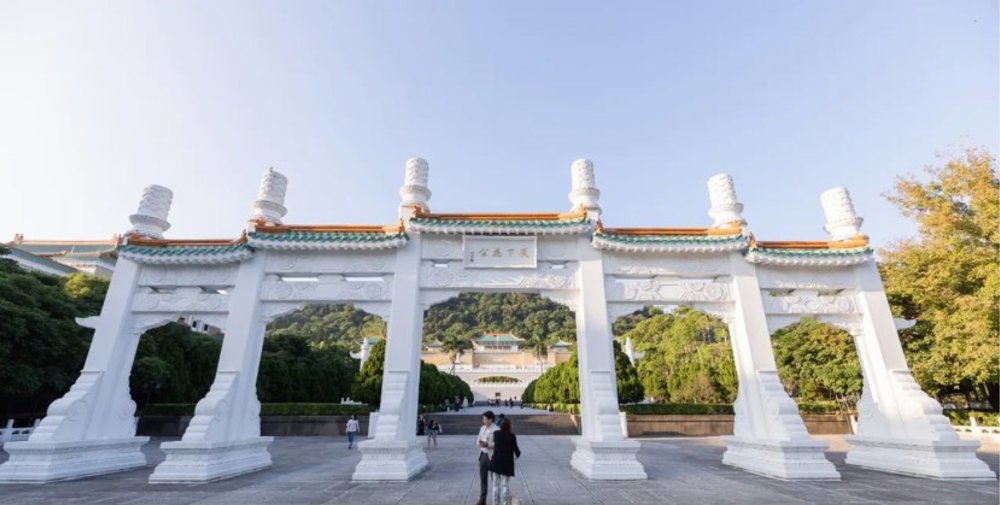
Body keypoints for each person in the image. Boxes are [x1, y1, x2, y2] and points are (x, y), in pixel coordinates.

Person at [489, 419, 521, 505]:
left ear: (501, 426)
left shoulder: (496, 434)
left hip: (495, 463)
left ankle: (495, 503)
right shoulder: (512, 436)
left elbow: (494, 445)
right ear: (509, 426)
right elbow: (517, 451)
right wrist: (516, 456)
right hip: (506, 465)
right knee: (505, 485)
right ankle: (505, 503)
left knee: (495, 485)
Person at [475, 410, 498, 505]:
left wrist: (487, 444)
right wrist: (479, 443)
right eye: (483, 419)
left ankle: (496, 500)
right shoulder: (482, 428)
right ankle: (482, 500)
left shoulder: (497, 429)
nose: (483, 421)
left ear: (490, 419)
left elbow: (498, 443)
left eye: (484, 419)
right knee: (483, 480)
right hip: (482, 456)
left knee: (495, 480)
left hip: (492, 457)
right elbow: (477, 439)